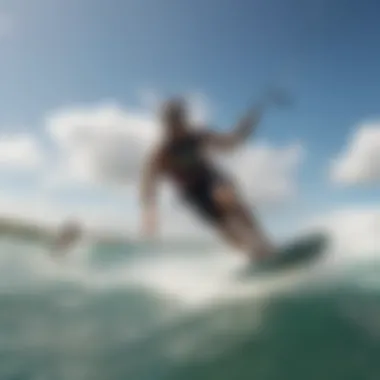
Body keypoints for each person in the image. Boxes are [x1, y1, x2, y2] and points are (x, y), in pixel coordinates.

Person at [140, 91, 289, 260]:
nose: (178, 125)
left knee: (228, 199)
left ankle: (266, 244)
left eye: (180, 119)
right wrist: (149, 211)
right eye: (173, 121)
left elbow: (229, 144)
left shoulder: (197, 136)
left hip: (210, 178)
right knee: (225, 228)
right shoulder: (163, 153)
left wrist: (245, 127)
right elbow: (148, 181)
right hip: (193, 193)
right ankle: (252, 254)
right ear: (167, 124)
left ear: (183, 119)